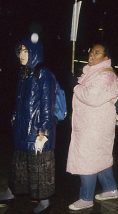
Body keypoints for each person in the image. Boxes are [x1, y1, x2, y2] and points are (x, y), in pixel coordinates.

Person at [67, 43, 118, 211]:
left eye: (97, 52)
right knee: (100, 157)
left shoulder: (105, 76)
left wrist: (74, 86)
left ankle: (86, 198)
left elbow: (92, 97)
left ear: (106, 58)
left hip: (94, 127)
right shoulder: (95, 72)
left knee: (88, 159)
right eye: (91, 51)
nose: (91, 54)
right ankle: (110, 189)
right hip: (94, 125)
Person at [10, 38, 57, 213]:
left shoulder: (43, 73)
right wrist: (14, 117)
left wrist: (43, 131)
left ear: (35, 52)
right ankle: (12, 190)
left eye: (26, 51)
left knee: (40, 168)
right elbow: (19, 101)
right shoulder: (24, 73)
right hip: (22, 129)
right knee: (20, 164)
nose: (22, 55)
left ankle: (44, 201)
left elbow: (47, 105)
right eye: (20, 51)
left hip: (37, 130)